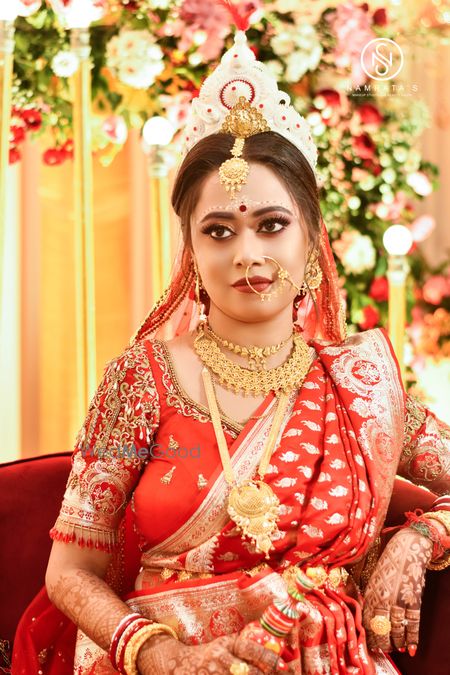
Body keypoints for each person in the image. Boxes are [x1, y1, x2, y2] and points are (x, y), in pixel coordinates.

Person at [12, 28, 450, 675]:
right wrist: (161, 654)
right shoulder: (141, 379)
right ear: (191, 250)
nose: (247, 253)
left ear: (310, 239)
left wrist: (420, 537)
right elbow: (70, 572)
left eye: (271, 225)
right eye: (219, 231)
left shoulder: (359, 389)